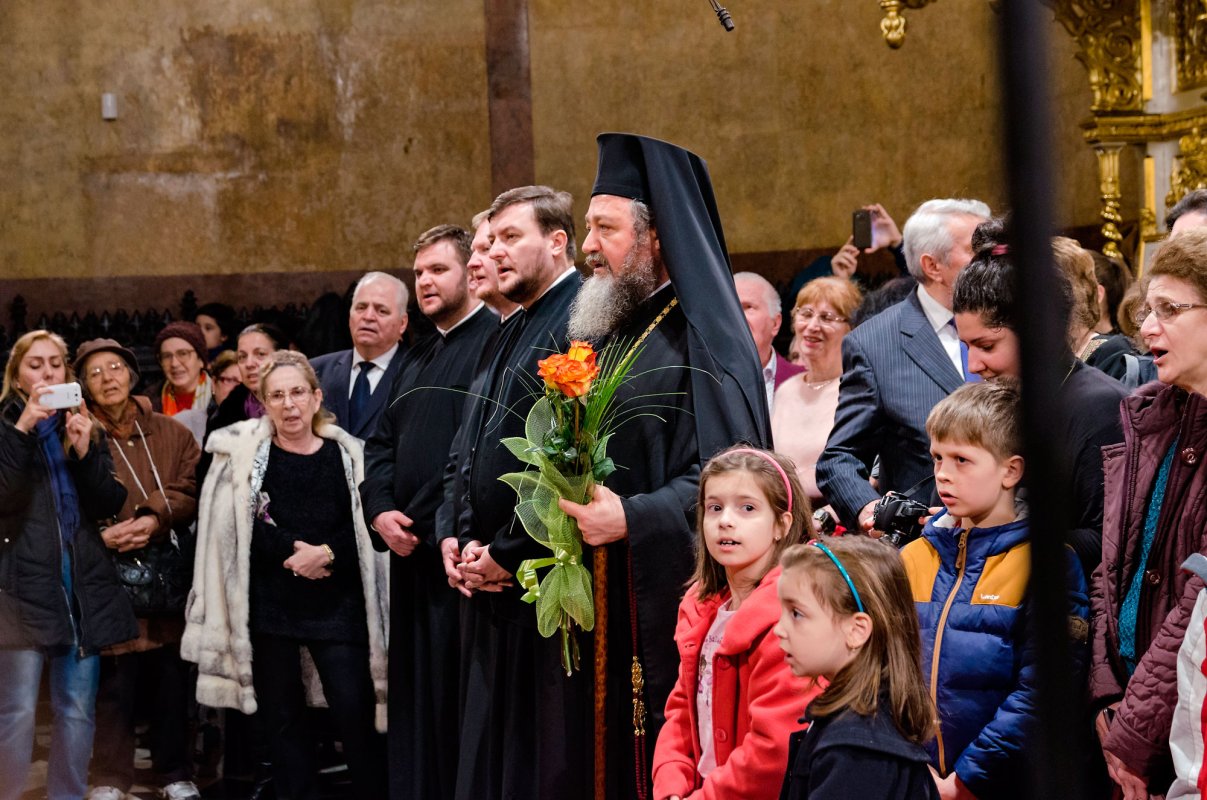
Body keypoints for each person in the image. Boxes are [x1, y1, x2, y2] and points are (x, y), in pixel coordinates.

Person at [553, 133, 771, 799]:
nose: (587, 245)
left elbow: (735, 476)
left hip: (671, 593)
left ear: (656, 239)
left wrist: (632, 515)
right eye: (588, 227)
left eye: (605, 228)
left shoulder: (701, 338)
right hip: (605, 591)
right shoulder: (617, 331)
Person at [181, 350, 389, 799]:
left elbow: (364, 526)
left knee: (354, 712)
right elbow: (232, 526)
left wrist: (326, 554)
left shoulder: (348, 454)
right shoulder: (245, 460)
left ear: (316, 397)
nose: (289, 404)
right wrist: (293, 551)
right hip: (271, 604)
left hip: (338, 605)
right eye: (277, 395)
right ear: (263, 402)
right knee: (282, 719)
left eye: (298, 393)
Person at [450, 184, 585, 800]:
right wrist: (464, 539)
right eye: (489, 240)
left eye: (509, 238)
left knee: (542, 757)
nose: (494, 252)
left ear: (557, 243)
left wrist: (506, 552)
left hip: (538, 574)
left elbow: (566, 458)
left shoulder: (579, 315)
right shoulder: (519, 320)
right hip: (498, 571)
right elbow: (477, 445)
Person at [899, 381, 1089, 799]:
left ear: (1011, 470)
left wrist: (966, 779)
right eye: (937, 458)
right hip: (916, 779)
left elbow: (1040, 693)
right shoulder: (912, 558)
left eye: (962, 460)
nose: (943, 474)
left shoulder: (1046, 565)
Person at [359, 224, 496, 800]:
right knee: (414, 707)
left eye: (438, 270)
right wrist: (380, 509)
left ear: (471, 272)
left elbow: (474, 455)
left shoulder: (494, 340)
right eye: (418, 273)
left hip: (457, 559)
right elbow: (380, 442)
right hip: (407, 555)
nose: (425, 282)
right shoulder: (415, 357)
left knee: (455, 706)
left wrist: (433, 521)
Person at [1091, 228, 1207, 797]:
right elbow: (1111, 567)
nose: (1145, 327)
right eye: (1145, 309)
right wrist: (1106, 691)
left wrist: (1133, 728)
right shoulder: (1148, 416)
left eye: (1169, 309)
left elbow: (1198, 598)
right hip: (1129, 705)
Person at [0, 330, 137, 800]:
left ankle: (67, 795)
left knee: (77, 707)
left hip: (78, 582)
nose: (47, 372)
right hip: (19, 587)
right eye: (35, 364)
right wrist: (22, 431)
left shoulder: (79, 425)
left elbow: (109, 501)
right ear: (17, 374)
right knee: (17, 710)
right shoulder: (4, 426)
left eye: (55, 364)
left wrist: (83, 454)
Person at [952, 221, 1127, 577]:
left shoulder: (1101, 408)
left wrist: (998, 541)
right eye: (966, 346)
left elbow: (1109, 540)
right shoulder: (999, 401)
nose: (974, 365)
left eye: (986, 346)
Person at [652, 446, 820, 800]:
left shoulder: (791, 620)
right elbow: (682, 712)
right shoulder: (702, 609)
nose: (726, 520)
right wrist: (671, 784)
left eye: (747, 508)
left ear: (781, 525)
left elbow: (773, 750)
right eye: (715, 508)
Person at [75, 338, 202, 800]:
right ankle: (109, 777)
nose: (108, 378)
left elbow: (190, 484)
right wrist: (100, 536)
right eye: (94, 372)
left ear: (131, 374)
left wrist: (152, 515)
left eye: (115, 367)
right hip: (107, 574)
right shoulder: (77, 434)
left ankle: (175, 773)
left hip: (163, 575)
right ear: (83, 387)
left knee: (171, 680)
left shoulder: (172, 432)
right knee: (114, 688)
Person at [816, 198, 991, 533]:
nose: (991, 262)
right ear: (933, 266)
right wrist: (871, 511)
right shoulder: (875, 343)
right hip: (929, 542)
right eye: (976, 251)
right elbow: (839, 459)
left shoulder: (1014, 322)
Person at [775, 536, 938, 800]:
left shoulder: (858, 751)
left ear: (856, 630)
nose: (778, 629)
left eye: (796, 613)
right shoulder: (852, 726)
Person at [772, 277, 862, 505]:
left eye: (826, 318)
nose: (812, 326)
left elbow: (871, 475)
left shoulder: (857, 390)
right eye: (806, 314)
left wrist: (824, 518)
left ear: (851, 329)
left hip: (835, 520)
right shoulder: (786, 389)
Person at [310, 271, 410, 439]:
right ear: (350, 316)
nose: (368, 317)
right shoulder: (316, 371)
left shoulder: (418, 374)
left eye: (381, 311)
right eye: (361, 308)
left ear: (402, 323)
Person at [734, 272, 803, 410]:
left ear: (775, 324)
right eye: (730, 307)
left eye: (748, 307)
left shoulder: (805, 382)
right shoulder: (702, 381)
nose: (736, 316)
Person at [152, 321, 212, 417]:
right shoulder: (149, 403)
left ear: (200, 360)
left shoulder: (222, 396)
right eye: (167, 356)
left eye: (183, 353)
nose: (174, 364)